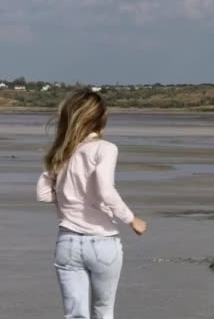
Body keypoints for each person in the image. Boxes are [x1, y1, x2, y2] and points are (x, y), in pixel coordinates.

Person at [36, 89, 147, 319]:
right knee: (103, 312)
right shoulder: (105, 148)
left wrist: (67, 193)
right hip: (102, 242)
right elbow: (105, 189)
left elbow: (44, 194)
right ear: (101, 118)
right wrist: (131, 219)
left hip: (67, 242)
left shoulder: (62, 152)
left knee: (75, 315)